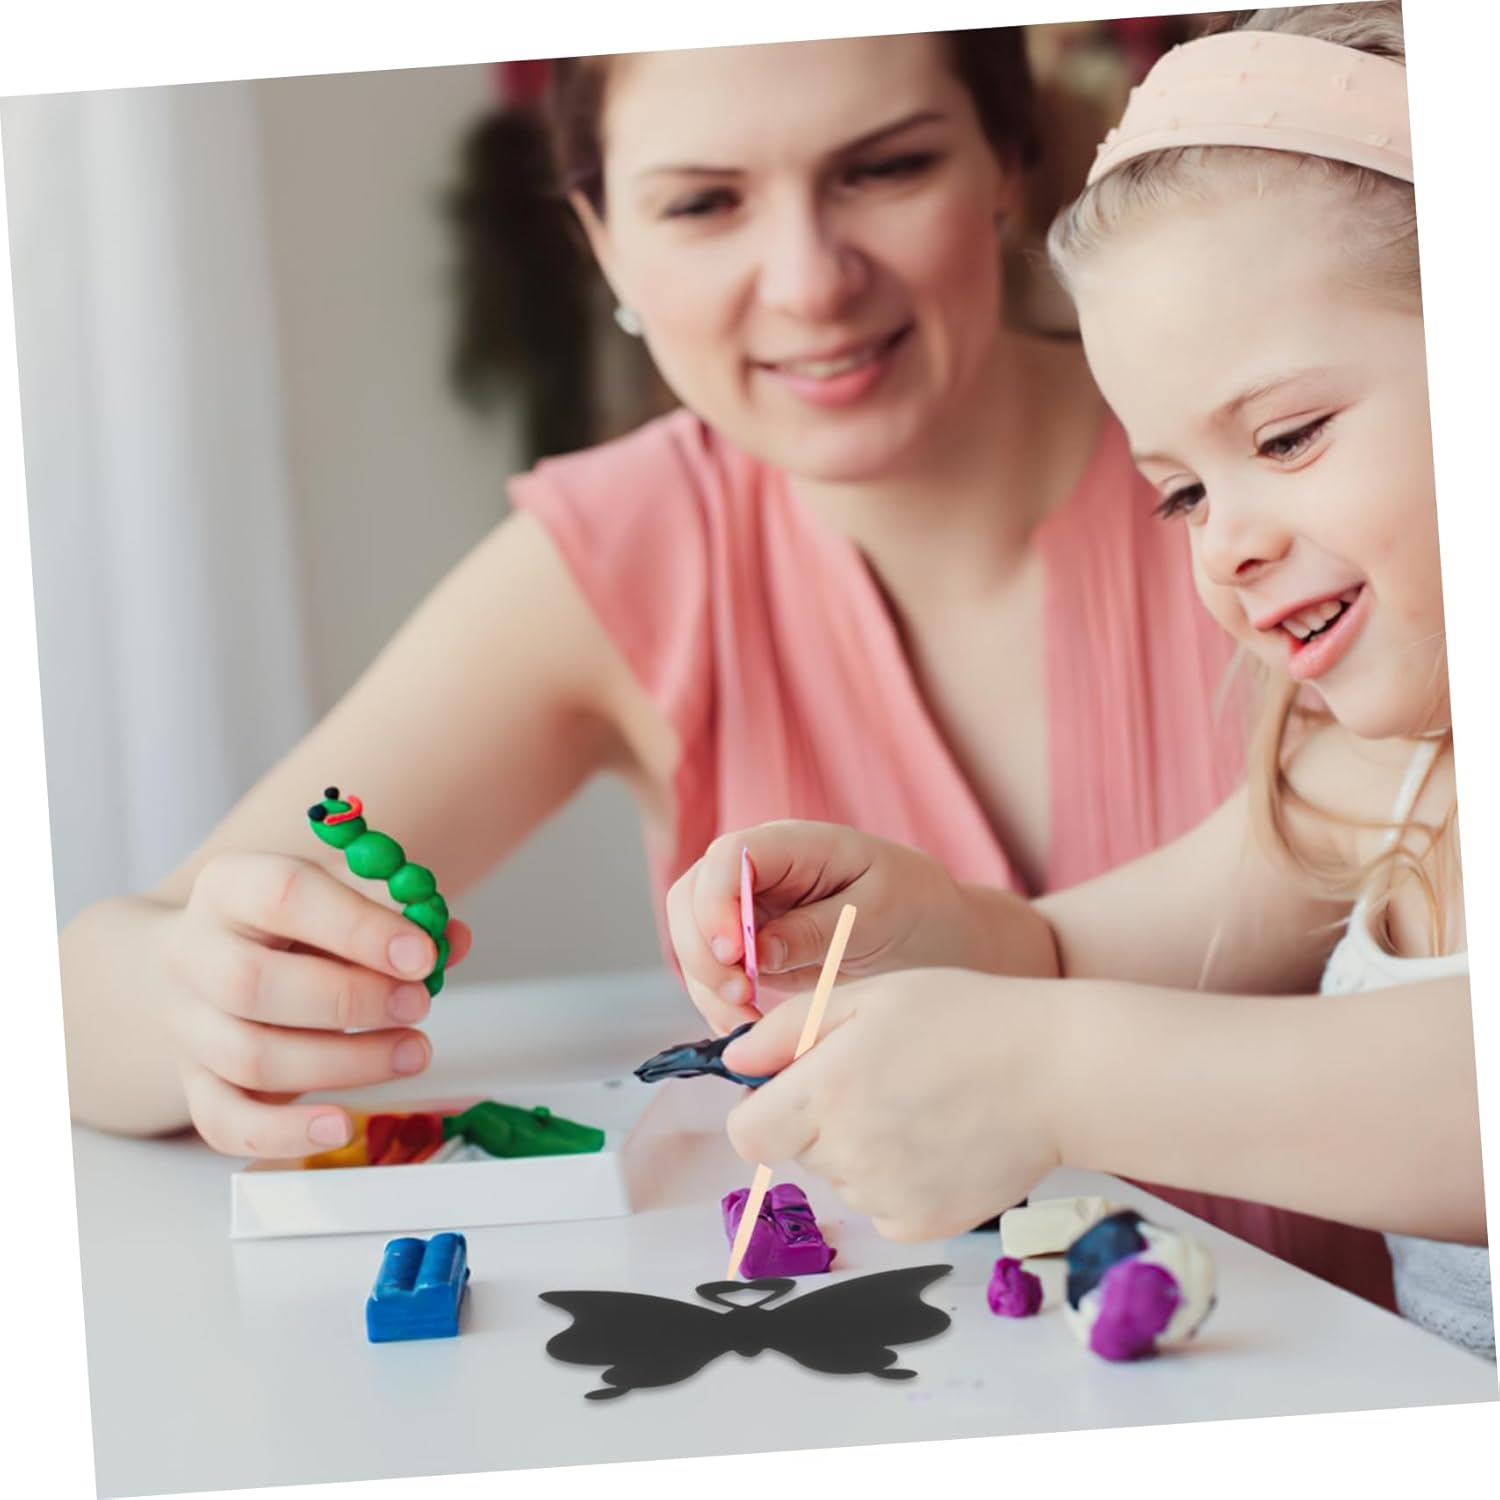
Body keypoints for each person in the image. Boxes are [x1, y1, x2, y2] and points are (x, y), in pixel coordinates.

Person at [57, 24, 1389, 1305]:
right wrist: (199, 1003)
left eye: (885, 168)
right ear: (601, 240)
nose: (809, 281)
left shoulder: (1311, 481)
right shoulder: (619, 556)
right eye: (703, 203)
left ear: (1006, 159)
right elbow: (83, 1000)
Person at [669, 4, 1491, 1357]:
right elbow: (1063, 955)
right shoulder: (1379, 775)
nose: (1225, 543)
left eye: (1286, 436)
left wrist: (1054, 1073)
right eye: (1181, 495)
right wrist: (916, 927)